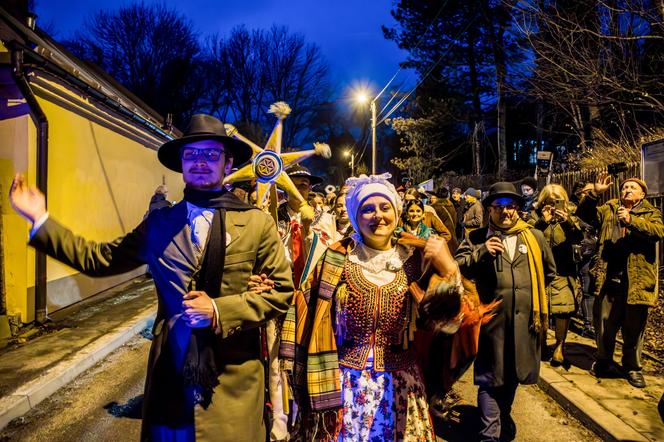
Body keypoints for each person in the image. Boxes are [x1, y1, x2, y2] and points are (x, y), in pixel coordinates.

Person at [9, 114, 294, 441]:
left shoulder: (256, 224)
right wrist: (40, 219)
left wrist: (218, 311)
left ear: (228, 163)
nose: (200, 162)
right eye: (192, 155)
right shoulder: (160, 224)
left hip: (232, 382)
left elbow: (280, 293)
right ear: (181, 164)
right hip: (171, 380)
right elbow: (100, 259)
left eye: (211, 154)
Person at [280, 173, 463, 441]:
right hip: (345, 389)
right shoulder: (335, 260)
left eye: (384, 207)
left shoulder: (416, 262)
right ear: (356, 216)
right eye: (367, 209)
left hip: (402, 388)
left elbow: (450, 324)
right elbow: (304, 313)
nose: (378, 215)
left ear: (396, 212)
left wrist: (450, 270)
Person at [455, 182, 556, 442]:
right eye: (499, 207)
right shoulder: (476, 237)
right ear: (489, 210)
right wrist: (482, 253)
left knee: (513, 375)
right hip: (492, 324)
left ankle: (504, 414)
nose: (506, 212)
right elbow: (458, 267)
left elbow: (549, 272)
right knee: (490, 379)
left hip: (526, 324)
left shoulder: (534, 236)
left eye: (511, 207)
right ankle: (490, 434)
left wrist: (527, 299)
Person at [575, 173, 664, 388]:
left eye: (633, 187)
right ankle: (604, 361)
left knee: (634, 327)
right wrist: (595, 194)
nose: (627, 190)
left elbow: (658, 232)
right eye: (624, 187)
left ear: (642, 193)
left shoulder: (651, 212)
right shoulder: (609, 208)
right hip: (608, 278)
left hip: (637, 281)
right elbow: (585, 214)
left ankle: (632, 367)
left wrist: (632, 220)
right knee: (605, 323)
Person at [532, 184, 584, 366]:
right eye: (549, 200)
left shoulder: (571, 214)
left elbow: (579, 237)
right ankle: (541, 343)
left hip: (563, 269)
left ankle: (559, 347)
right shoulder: (535, 214)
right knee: (541, 310)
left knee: (563, 310)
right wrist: (542, 222)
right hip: (539, 271)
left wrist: (567, 221)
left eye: (557, 200)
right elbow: (528, 235)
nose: (553, 205)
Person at [277, 164, 336, 288]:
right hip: (280, 282)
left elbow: (330, 253)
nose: (297, 190)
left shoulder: (326, 219)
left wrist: (308, 229)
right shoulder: (273, 217)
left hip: (313, 282)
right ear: (286, 188)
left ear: (310, 188)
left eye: (303, 185)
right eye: (292, 185)